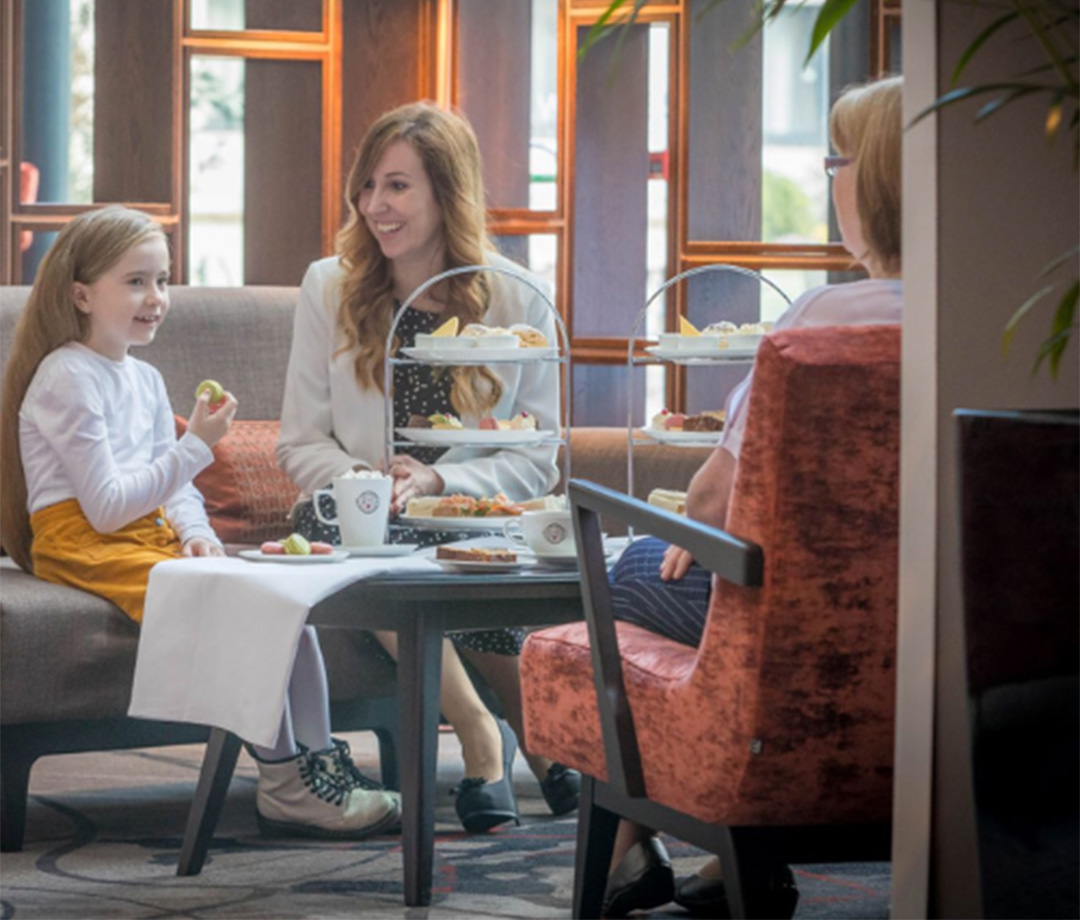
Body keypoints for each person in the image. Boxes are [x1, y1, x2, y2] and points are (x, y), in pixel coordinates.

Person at [0, 206, 401, 842]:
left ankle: (321, 771)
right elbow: (105, 506)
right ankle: (284, 782)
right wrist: (198, 444)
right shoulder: (66, 377)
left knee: (285, 608)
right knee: (246, 619)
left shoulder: (145, 377)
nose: (155, 298)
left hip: (142, 532)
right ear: (81, 294)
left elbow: (176, 490)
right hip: (83, 542)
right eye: (135, 282)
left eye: (162, 281)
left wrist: (196, 532)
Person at [601, 76, 904, 918]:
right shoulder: (990, 318)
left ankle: (637, 850)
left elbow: (706, 503)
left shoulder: (820, 319)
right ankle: (724, 864)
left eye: (834, 161)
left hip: (791, 623)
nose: (825, 179)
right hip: (928, 628)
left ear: (873, 181)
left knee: (627, 572)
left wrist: (699, 535)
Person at [277, 101, 580, 832]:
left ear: (448, 191)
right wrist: (371, 486)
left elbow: (537, 454)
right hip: (362, 515)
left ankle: (531, 736)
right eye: (367, 187)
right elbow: (299, 443)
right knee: (362, 525)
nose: (375, 206)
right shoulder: (329, 286)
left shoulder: (514, 294)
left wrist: (441, 481)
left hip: (475, 518)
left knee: (438, 538)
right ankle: (489, 732)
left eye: (398, 186)